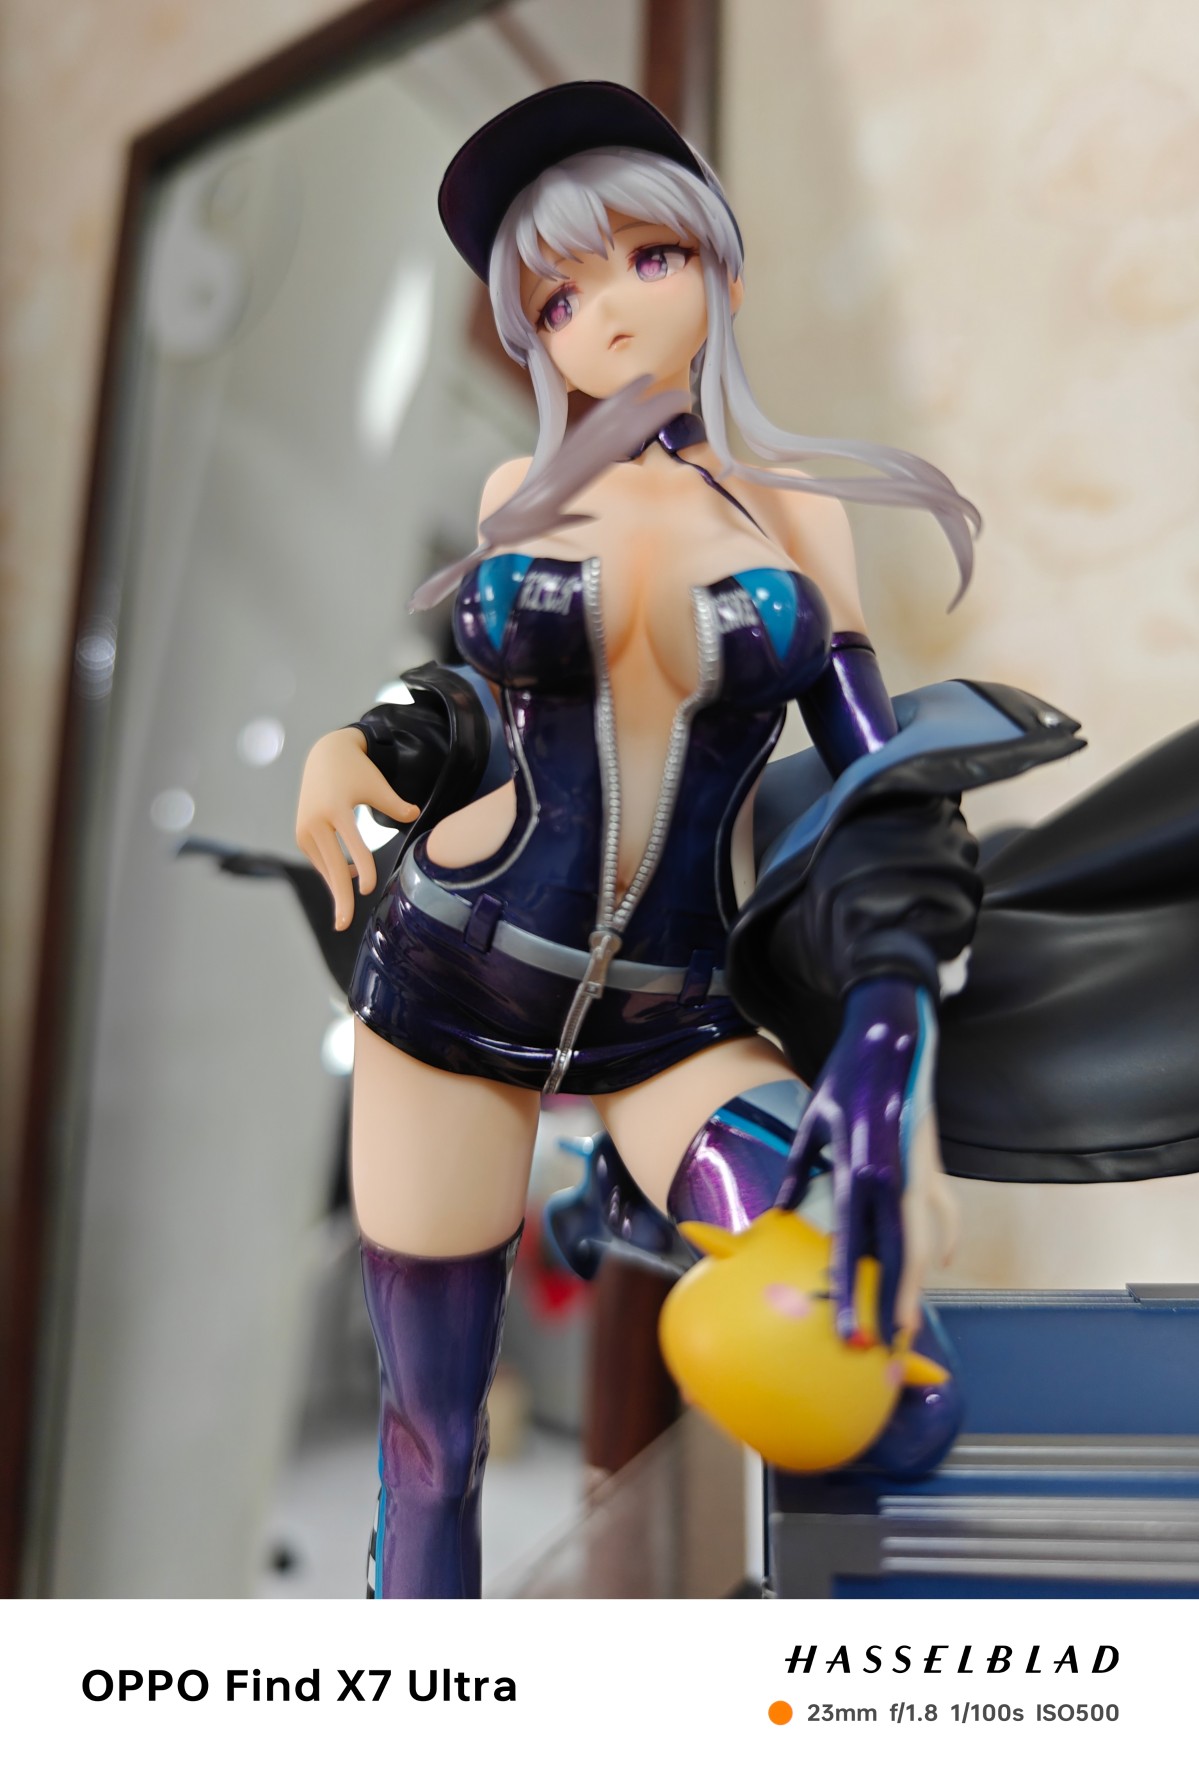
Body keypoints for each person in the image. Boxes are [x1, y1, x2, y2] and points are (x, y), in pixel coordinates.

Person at [294, 83, 1081, 1599]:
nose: (607, 315)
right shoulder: (519, 492)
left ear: (716, 260)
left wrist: (890, 1021)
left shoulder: (793, 511)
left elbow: (878, 784)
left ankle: (619, 1192)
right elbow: (479, 704)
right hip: (450, 983)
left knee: (882, 1371)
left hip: (671, 1019)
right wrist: (368, 744)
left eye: (647, 259)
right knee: (432, 1451)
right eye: (557, 299)